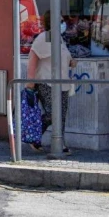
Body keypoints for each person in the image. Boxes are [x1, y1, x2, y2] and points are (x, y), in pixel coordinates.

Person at [26, 11, 74, 154]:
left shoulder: (59, 39)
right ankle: (35, 137)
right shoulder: (45, 37)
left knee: (61, 115)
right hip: (47, 82)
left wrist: (72, 62)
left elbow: (64, 57)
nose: (62, 24)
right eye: (59, 21)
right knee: (53, 113)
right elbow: (34, 56)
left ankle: (60, 143)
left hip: (62, 82)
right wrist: (30, 81)